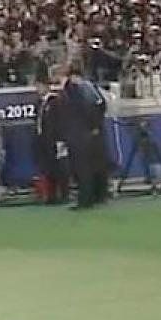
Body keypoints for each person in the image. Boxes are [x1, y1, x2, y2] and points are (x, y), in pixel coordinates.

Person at [58, 63, 110, 210]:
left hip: (79, 135)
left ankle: (85, 200)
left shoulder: (74, 90)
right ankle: (98, 196)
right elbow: (101, 105)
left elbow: (76, 112)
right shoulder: (90, 87)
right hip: (90, 134)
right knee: (93, 167)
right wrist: (95, 126)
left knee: (82, 169)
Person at [34, 78, 68, 204]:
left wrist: (61, 139)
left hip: (55, 140)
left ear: (46, 87)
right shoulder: (39, 103)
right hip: (43, 140)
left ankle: (64, 194)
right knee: (48, 168)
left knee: (60, 168)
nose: (38, 90)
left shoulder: (55, 101)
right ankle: (51, 195)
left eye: (39, 87)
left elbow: (61, 121)